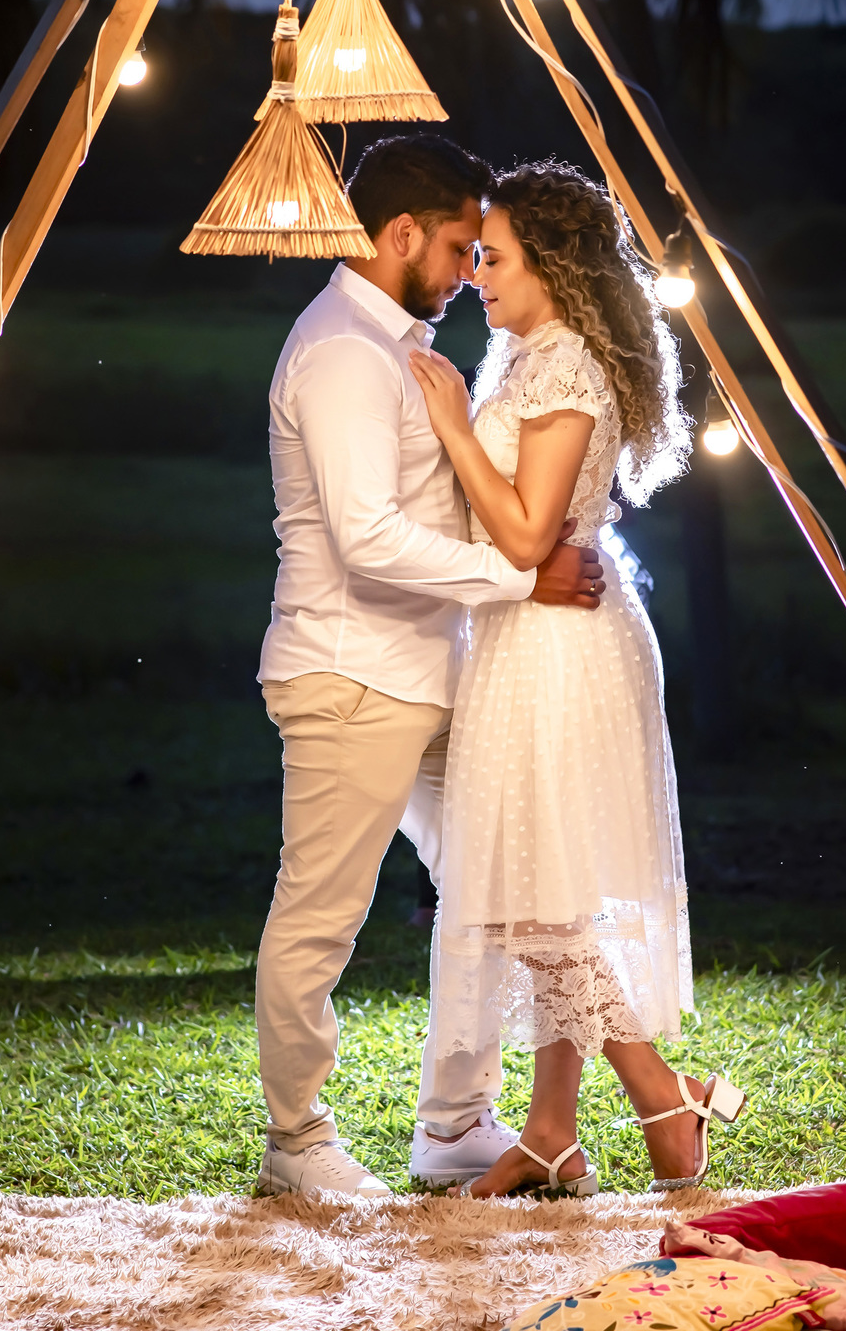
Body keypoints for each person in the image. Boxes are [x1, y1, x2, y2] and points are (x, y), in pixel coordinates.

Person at [254, 134, 606, 1200]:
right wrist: (522, 582)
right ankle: (298, 1142)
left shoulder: (406, 346)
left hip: (441, 672)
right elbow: (366, 538)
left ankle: (457, 1120)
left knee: (497, 890)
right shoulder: (342, 354)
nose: (466, 270)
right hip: (353, 672)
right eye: (457, 246)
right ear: (399, 235)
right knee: (322, 911)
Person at [409, 161, 746, 1198]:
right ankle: (553, 1129)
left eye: (493, 257)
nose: (473, 275)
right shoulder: (529, 352)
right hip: (527, 640)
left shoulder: (561, 369)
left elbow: (522, 535)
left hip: (559, 649)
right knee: (542, 880)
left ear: (551, 266)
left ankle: (660, 1091)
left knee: (528, 895)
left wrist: (455, 424)